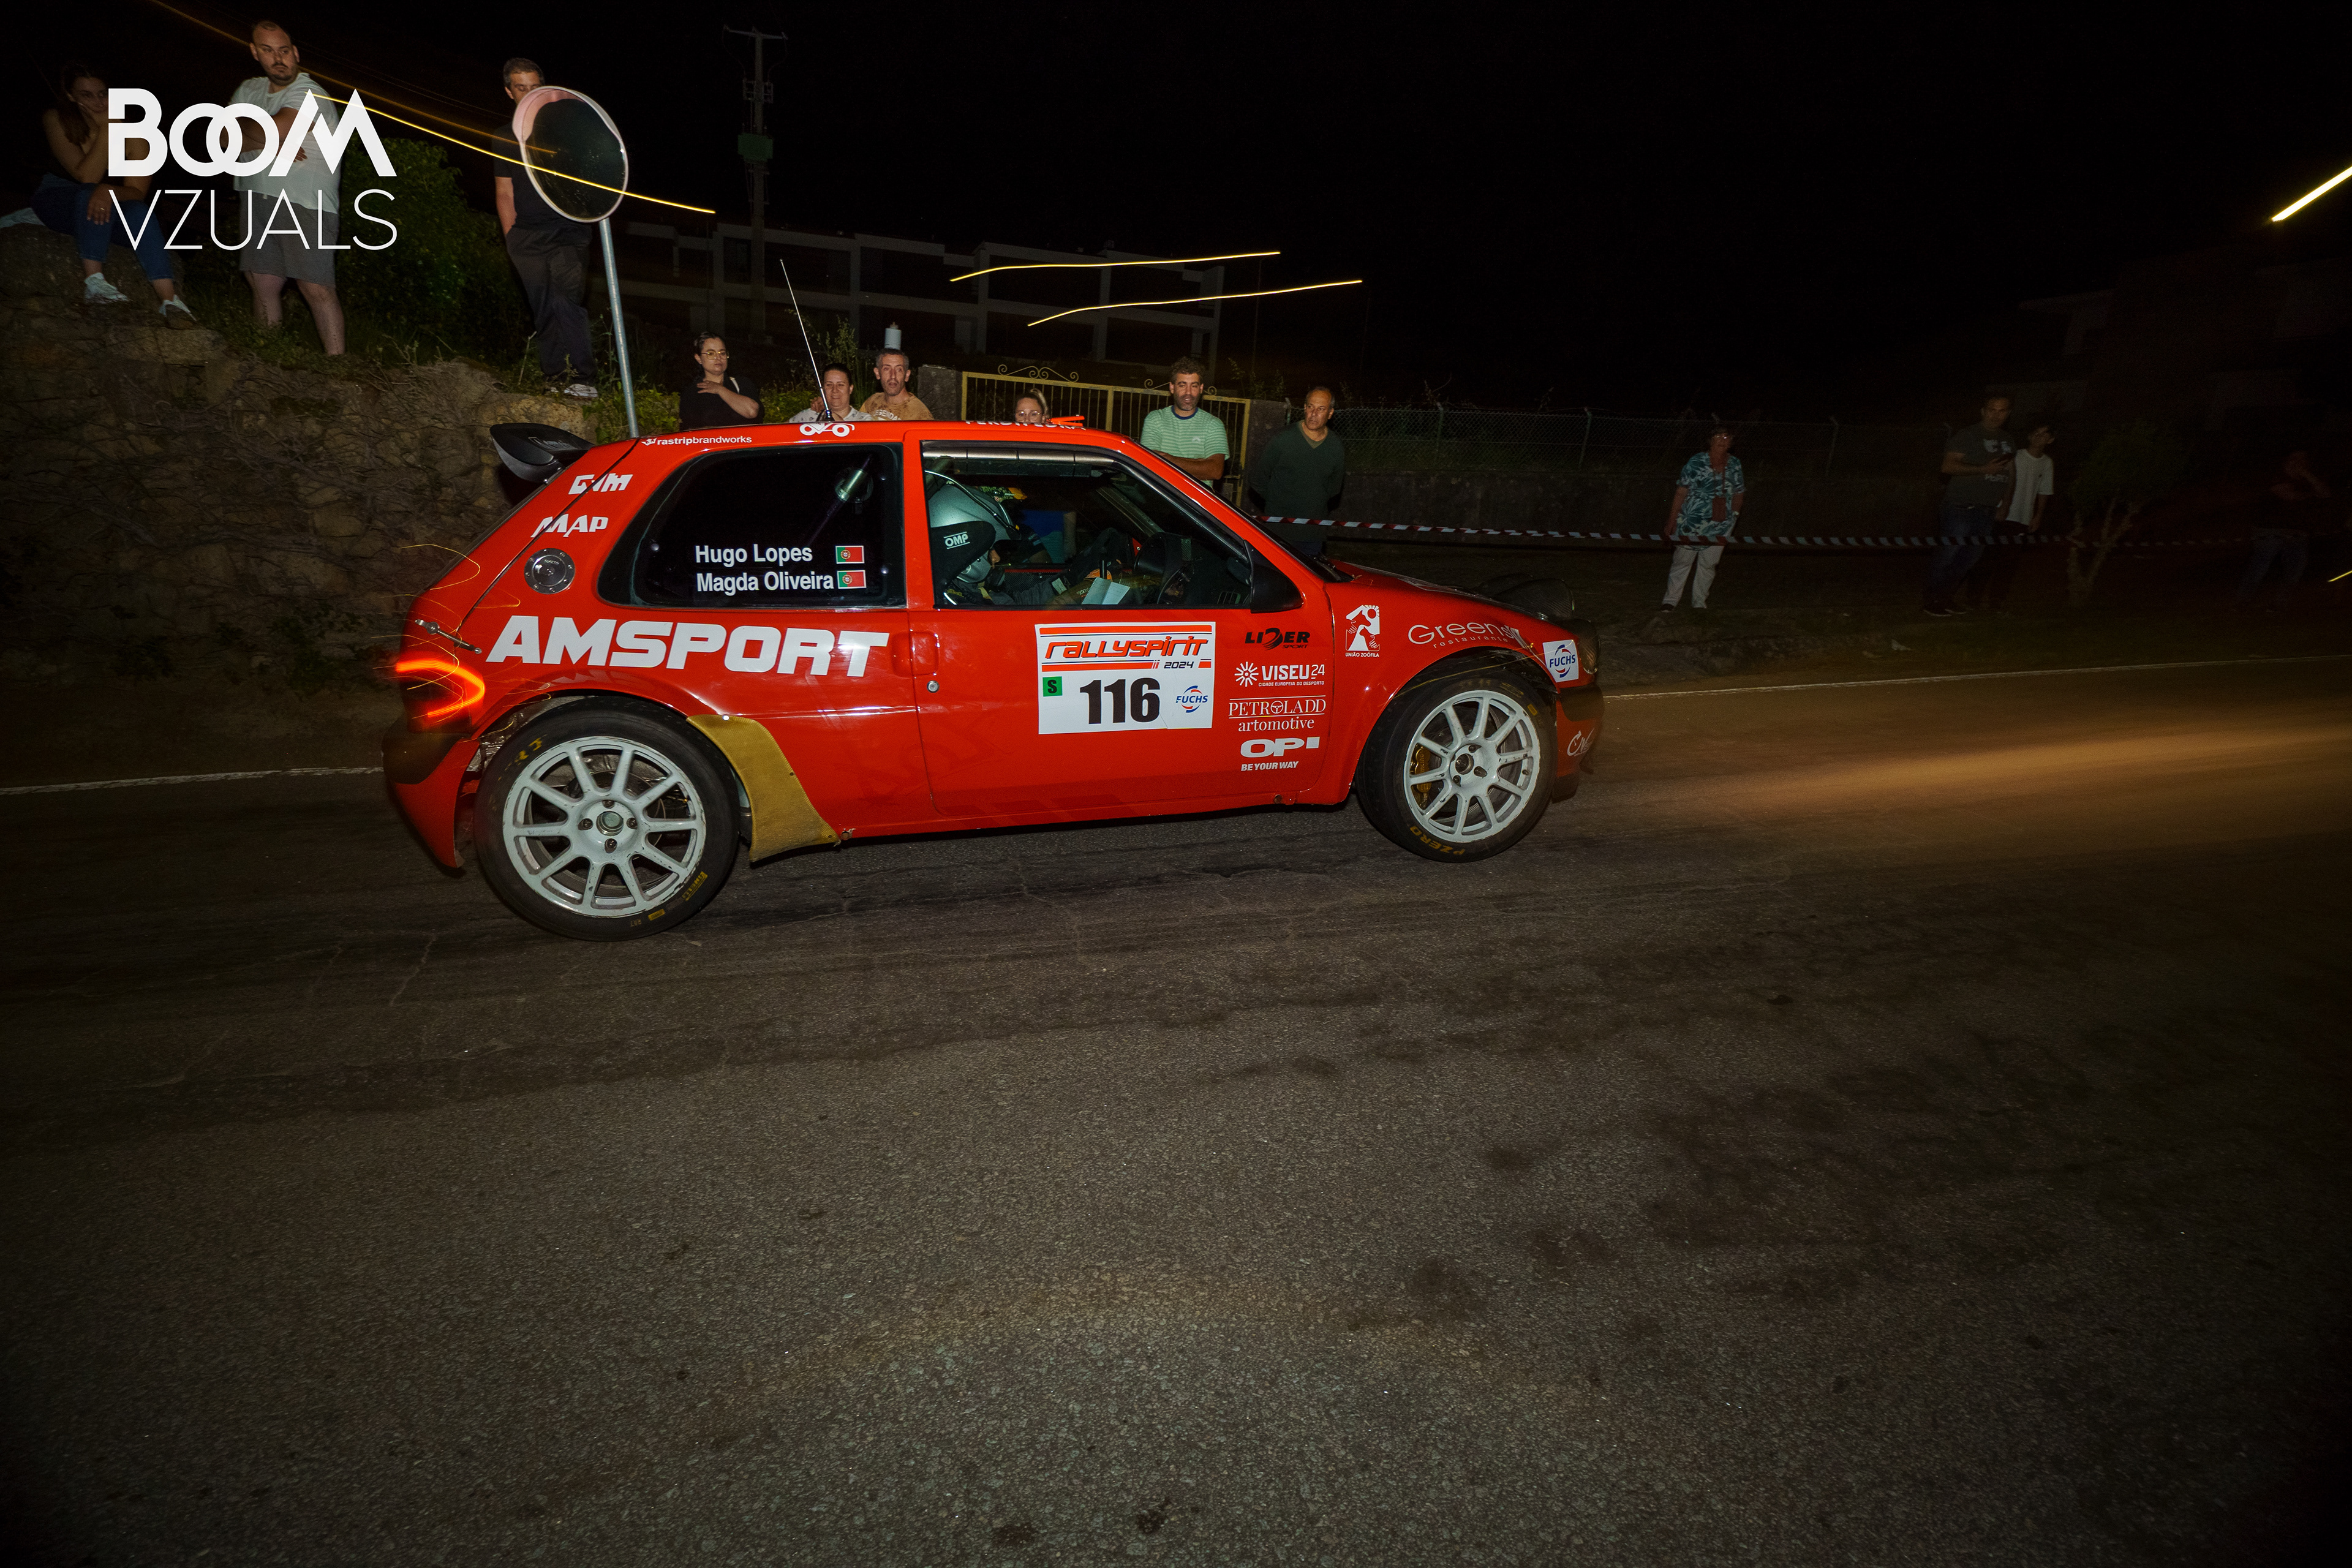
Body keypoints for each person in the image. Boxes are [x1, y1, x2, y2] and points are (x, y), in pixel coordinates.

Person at [31, 65, 195, 326]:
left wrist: (111, 190)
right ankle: (95, 283)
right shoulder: (57, 119)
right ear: (71, 96)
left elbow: (137, 193)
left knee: (139, 212)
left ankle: (171, 301)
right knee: (90, 191)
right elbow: (86, 176)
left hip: (107, 205)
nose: (98, 103)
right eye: (87, 95)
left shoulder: (136, 135)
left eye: (103, 94)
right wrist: (109, 128)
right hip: (59, 198)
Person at [232, 21, 346, 354]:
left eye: (284, 51)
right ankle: (268, 359)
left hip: (305, 203)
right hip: (257, 197)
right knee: (262, 281)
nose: (278, 58)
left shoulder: (310, 93)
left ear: (295, 53)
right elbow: (222, 139)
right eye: (268, 51)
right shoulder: (249, 90)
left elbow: (273, 129)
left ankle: (338, 367)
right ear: (255, 53)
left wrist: (253, 132)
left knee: (316, 287)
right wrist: (270, 142)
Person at [493, 58, 595, 400]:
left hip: (568, 232)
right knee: (543, 308)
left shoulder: (565, 131)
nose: (529, 93)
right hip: (527, 236)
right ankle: (554, 376)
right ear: (509, 92)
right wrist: (512, 238)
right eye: (521, 88)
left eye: (535, 87)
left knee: (566, 301)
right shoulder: (504, 137)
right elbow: (505, 192)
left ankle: (583, 379)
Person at [1924, 395, 2016, 615]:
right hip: (1961, 507)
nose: (1996, 415)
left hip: (1988, 509)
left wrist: (2006, 504)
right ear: (1983, 411)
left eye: (2002, 411)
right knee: (1949, 554)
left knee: (1969, 558)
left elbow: (2011, 474)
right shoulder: (1968, 435)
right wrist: (1983, 469)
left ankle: (1946, 598)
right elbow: (1948, 466)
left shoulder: (2008, 439)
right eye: (1992, 410)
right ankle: (1931, 600)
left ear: (2008, 414)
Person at [1964, 420, 2055, 614]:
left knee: (2009, 563)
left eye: (2044, 434)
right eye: (2036, 433)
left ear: (2050, 440)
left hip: (2022, 518)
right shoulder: (2016, 456)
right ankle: (1973, 599)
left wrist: (2038, 516)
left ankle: (1997, 601)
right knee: (1987, 557)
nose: (2039, 437)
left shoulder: (2047, 463)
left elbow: (2045, 491)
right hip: (2001, 514)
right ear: (2029, 436)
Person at [1658, 424, 1745, 614]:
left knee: (1709, 564)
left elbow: (1739, 492)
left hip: (1721, 524)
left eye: (1726, 437)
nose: (1723, 441)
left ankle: (1699, 602)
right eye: (1718, 437)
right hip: (1692, 522)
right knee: (1682, 561)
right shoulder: (1696, 462)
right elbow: (1681, 491)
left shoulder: (1735, 464)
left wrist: (1734, 516)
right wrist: (1672, 520)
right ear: (1710, 440)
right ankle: (1670, 601)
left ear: (1731, 442)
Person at [2235, 451, 2331, 606]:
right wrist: (2311, 495)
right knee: (2260, 566)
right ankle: (2243, 601)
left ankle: (2280, 602)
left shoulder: (2306, 480)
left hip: (2298, 531)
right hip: (2270, 530)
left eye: (2303, 459)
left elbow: (2326, 494)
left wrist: (2308, 476)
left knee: (2295, 568)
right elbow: (2289, 496)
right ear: (2287, 460)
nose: (2299, 462)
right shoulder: (2277, 476)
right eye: (2295, 458)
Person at [1247, 386, 1346, 520]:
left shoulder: (1336, 446)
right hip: (1279, 524)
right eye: (1311, 407)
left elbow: (1335, 489)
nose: (1314, 413)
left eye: (1321, 409)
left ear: (1330, 413)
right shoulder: (1283, 439)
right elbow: (1258, 478)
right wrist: (1277, 503)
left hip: (1314, 526)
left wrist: (1314, 504)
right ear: (1305, 408)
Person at [1139, 356, 1228, 483]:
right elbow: (1149, 464)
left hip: (1194, 496)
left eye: (1194, 386)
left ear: (1201, 389)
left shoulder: (1213, 424)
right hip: (1161, 493)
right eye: (1182, 385)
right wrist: (1199, 462)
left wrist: (1168, 459)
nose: (1188, 393)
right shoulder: (1155, 419)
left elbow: (1215, 471)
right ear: (1172, 387)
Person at [676, 336, 761, 430]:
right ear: (699, 358)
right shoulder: (692, 393)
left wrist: (720, 389)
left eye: (723, 353)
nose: (718, 358)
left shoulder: (742, 384)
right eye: (711, 354)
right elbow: (690, 433)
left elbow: (752, 412)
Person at [859, 347, 932, 420]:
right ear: (877, 373)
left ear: (907, 375)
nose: (893, 376)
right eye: (887, 369)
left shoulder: (920, 415)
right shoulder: (872, 402)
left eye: (899, 370)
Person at [791, 363, 880, 423]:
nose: (835, 390)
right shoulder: (808, 416)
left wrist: (831, 414)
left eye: (840, 385)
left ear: (850, 389)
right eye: (829, 385)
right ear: (823, 389)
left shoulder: (865, 421)